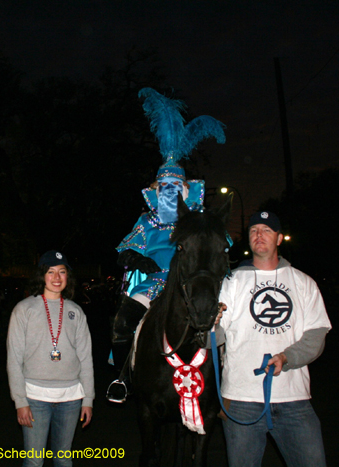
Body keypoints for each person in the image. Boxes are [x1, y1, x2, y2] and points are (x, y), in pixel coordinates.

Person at [107, 87, 226, 402]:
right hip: (154, 285)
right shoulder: (147, 221)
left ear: (186, 189)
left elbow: (220, 245)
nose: (170, 192)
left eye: (176, 186)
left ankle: (228, 378)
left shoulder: (198, 220)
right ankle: (123, 379)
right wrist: (136, 258)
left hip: (193, 286)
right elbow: (124, 252)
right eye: (164, 186)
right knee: (121, 322)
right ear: (155, 189)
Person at [217, 211, 331, 467]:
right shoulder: (231, 282)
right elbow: (214, 338)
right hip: (241, 400)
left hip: (294, 399)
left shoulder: (303, 282)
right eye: (254, 230)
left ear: (279, 238)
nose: (259, 235)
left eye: (267, 230)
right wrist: (206, 326)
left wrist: (286, 357)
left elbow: (316, 335)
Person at [6, 251, 94, 467]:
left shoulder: (76, 311)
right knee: (34, 461)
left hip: (71, 398)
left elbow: (85, 358)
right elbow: (14, 358)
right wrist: (20, 401)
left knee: (64, 459)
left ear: (68, 277)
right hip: (35, 397)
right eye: (51, 272)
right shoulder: (24, 309)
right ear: (41, 276)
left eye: (62, 272)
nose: (57, 277)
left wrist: (88, 399)